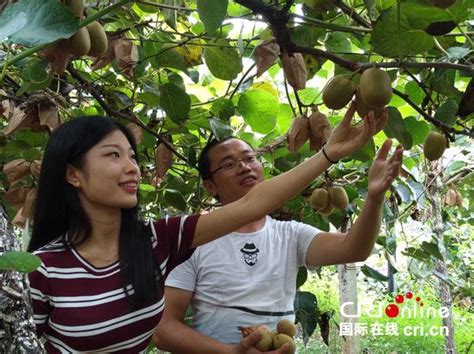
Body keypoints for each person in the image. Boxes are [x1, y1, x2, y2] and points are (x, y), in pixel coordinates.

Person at [27, 103, 388, 353]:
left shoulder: (158, 241)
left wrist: (328, 154)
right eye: (113, 155)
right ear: (73, 174)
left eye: (133, 157)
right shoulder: (42, 269)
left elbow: (253, 203)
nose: (132, 168)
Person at [153, 107, 403, 353]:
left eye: (250, 158)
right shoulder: (193, 239)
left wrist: (374, 197)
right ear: (209, 186)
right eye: (229, 165)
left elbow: (354, 249)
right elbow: (163, 330)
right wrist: (230, 352)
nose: (244, 167)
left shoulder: (290, 234)